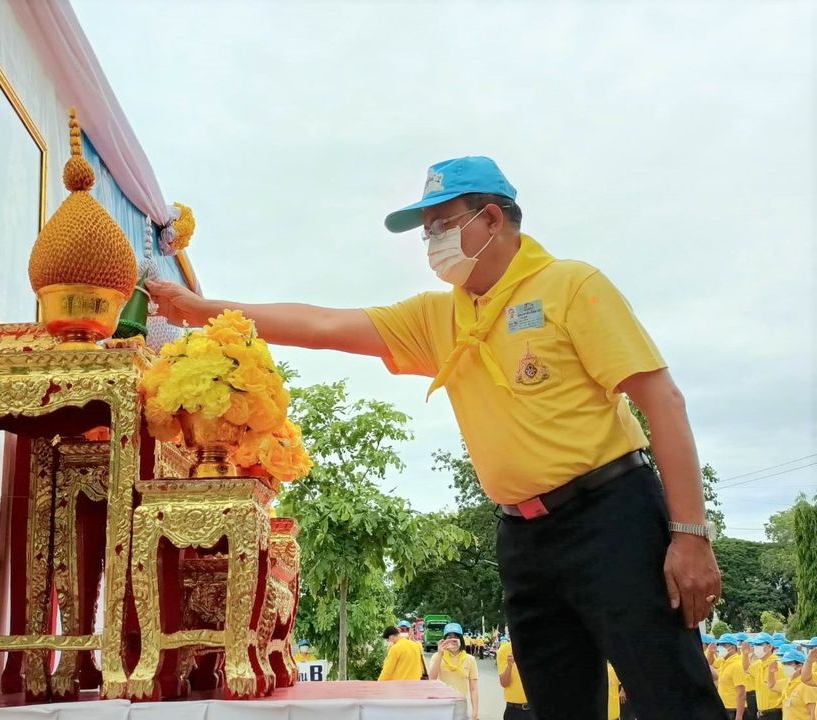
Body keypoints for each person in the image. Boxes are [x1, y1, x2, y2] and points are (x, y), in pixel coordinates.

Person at [148, 155, 725, 720]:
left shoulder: (571, 287)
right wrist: (204, 310)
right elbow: (325, 325)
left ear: (493, 220)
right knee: (558, 704)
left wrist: (690, 535)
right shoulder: (439, 317)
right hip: (524, 537)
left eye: (442, 225)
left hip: (613, 517)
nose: (431, 243)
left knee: (671, 697)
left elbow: (662, 402)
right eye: (426, 232)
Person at [428, 623, 479, 720]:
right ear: (444, 640)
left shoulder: (470, 659)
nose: (452, 640)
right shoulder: (437, 657)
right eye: (449, 637)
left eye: (456, 637)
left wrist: (475, 711)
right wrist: (440, 654)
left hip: (460, 703)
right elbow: (432, 679)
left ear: (461, 639)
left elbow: (474, 689)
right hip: (441, 702)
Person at [766, 649, 816, 720]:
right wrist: (771, 672)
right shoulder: (787, 682)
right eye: (784, 663)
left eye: (788, 663)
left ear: (800, 665)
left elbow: (813, 713)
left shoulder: (807, 685)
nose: (785, 666)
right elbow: (772, 685)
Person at [746, 634, 781, 719]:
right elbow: (746, 669)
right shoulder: (758, 664)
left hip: (774, 712)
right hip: (762, 712)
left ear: (769, 647)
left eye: (759, 645)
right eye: (755, 645)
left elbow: (784, 690)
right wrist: (745, 654)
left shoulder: (777, 666)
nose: (756, 648)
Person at [496, 638, 532, 718]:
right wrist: (509, 666)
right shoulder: (504, 650)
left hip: (535, 710)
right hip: (514, 710)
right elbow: (504, 683)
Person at [716, 634, 749, 720]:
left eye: (723, 645)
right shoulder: (725, 663)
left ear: (732, 647)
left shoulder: (736, 665)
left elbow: (741, 693)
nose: (720, 647)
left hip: (734, 710)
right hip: (725, 708)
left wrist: (739, 716)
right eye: (719, 645)